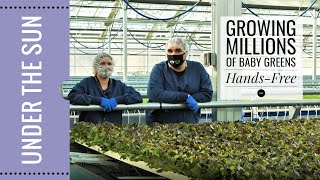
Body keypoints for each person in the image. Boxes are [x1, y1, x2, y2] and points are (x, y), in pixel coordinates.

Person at [147, 37, 213, 124]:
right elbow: (154, 93)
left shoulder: (197, 68)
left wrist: (190, 98)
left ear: (186, 53)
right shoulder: (159, 69)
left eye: (178, 51)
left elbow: (207, 93)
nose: (173, 54)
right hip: (161, 122)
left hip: (188, 121)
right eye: (170, 51)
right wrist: (185, 97)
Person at [68, 52, 143, 124]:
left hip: (113, 131)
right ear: (96, 66)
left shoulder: (118, 85)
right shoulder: (87, 83)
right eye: (102, 63)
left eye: (109, 64)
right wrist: (98, 101)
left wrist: (118, 100)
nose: (106, 66)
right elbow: (73, 96)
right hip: (89, 132)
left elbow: (137, 96)